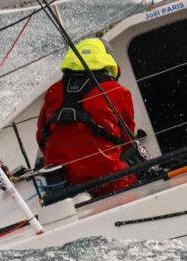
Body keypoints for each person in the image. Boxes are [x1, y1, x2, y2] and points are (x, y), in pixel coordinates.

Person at [35, 36, 142, 198]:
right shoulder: (117, 91)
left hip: (64, 179)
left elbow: (41, 136)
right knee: (139, 175)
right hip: (108, 178)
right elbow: (127, 139)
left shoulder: (53, 91)